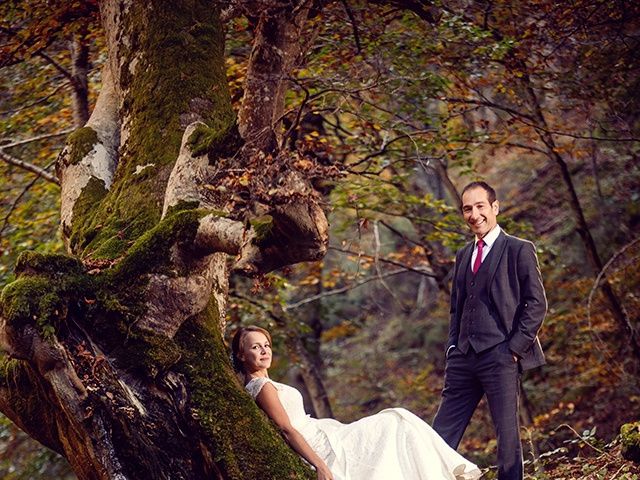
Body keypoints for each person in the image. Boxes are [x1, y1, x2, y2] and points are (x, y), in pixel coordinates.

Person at [232, 325, 482, 480]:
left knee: (398, 421)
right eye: (255, 347)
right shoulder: (262, 387)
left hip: (326, 432)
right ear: (242, 355)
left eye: (266, 345)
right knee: (396, 421)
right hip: (320, 447)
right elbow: (287, 429)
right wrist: (320, 466)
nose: (264, 351)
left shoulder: (266, 383)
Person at [432, 181, 547, 480]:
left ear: (495, 208)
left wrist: (513, 349)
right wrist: (452, 347)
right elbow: (456, 308)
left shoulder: (519, 249)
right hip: (462, 357)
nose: (474, 214)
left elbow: (537, 303)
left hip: (501, 355)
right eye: (467, 208)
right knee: (440, 435)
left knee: (507, 439)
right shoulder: (462, 255)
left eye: (480, 206)